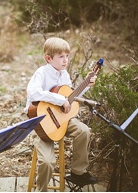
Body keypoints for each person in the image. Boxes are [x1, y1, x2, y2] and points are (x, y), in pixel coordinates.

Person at [25, 37, 99, 189]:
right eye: (61, 56)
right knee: (47, 162)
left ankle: (78, 172)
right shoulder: (42, 73)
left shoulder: (64, 74)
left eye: (67, 56)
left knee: (84, 131)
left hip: (62, 120)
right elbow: (33, 93)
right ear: (48, 58)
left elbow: (70, 97)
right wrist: (60, 100)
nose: (65, 60)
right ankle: (42, 190)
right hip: (42, 124)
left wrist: (86, 85)